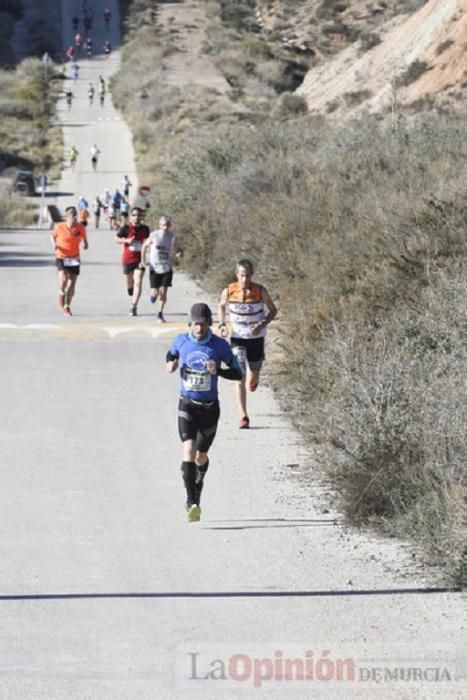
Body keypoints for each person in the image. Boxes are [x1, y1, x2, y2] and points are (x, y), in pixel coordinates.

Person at [166, 303, 243, 522]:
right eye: (195, 324)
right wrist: (170, 364)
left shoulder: (219, 346)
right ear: (190, 324)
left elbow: (238, 374)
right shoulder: (181, 340)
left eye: (203, 324)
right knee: (188, 450)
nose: (199, 328)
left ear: (209, 324)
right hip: (187, 404)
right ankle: (192, 502)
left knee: (201, 456)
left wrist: (217, 370)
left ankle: (198, 483)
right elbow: (170, 354)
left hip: (209, 408)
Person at [218, 259, 277, 429]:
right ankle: (243, 416)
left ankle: (255, 379)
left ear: (252, 275)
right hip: (237, 339)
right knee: (239, 377)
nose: (245, 279)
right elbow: (221, 306)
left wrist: (261, 324)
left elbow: (273, 310)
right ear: (237, 274)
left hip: (256, 340)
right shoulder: (229, 290)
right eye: (242, 275)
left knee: (254, 372)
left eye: (248, 275)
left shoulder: (260, 290)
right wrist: (222, 323)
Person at [140, 215, 183, 323]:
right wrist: (143, 261)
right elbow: (144, 246)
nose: (165, 227)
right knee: (155, 292)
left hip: (167, 267)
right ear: (160, 225)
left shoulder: (173, 237)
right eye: (163, 225)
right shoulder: (154, 235)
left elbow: (179, 249)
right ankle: (153, 294)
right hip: (154, 267)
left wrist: (179, 253)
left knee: (163, 293)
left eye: (167, 225)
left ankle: (160, 314)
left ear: (170, 225)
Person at [51, 206, 89, 316]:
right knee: (63, 280)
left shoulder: (80, 227)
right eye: (73, 215)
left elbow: (85, 240)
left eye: (76, 214)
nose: (75, 217)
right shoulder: (59, 227)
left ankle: (67, 306)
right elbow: (52, 237)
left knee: (72, 284)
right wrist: (54, 245)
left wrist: (85, 244)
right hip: (61, 256)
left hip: (74, 258)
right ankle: (61, 295)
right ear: (67, 217)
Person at [115, 207, 150, 316]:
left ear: (142, 217)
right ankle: (130, 287)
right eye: (134, 215)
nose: (137, 217)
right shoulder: (126, 228)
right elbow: (116, 239)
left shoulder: (145, 229)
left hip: (140, 260)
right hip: (127, 259)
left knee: (138, 281)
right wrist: (126, 240)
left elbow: (149, 240)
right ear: (131, 217)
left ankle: (134, 306)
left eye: (139, 215)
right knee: (130, 283)